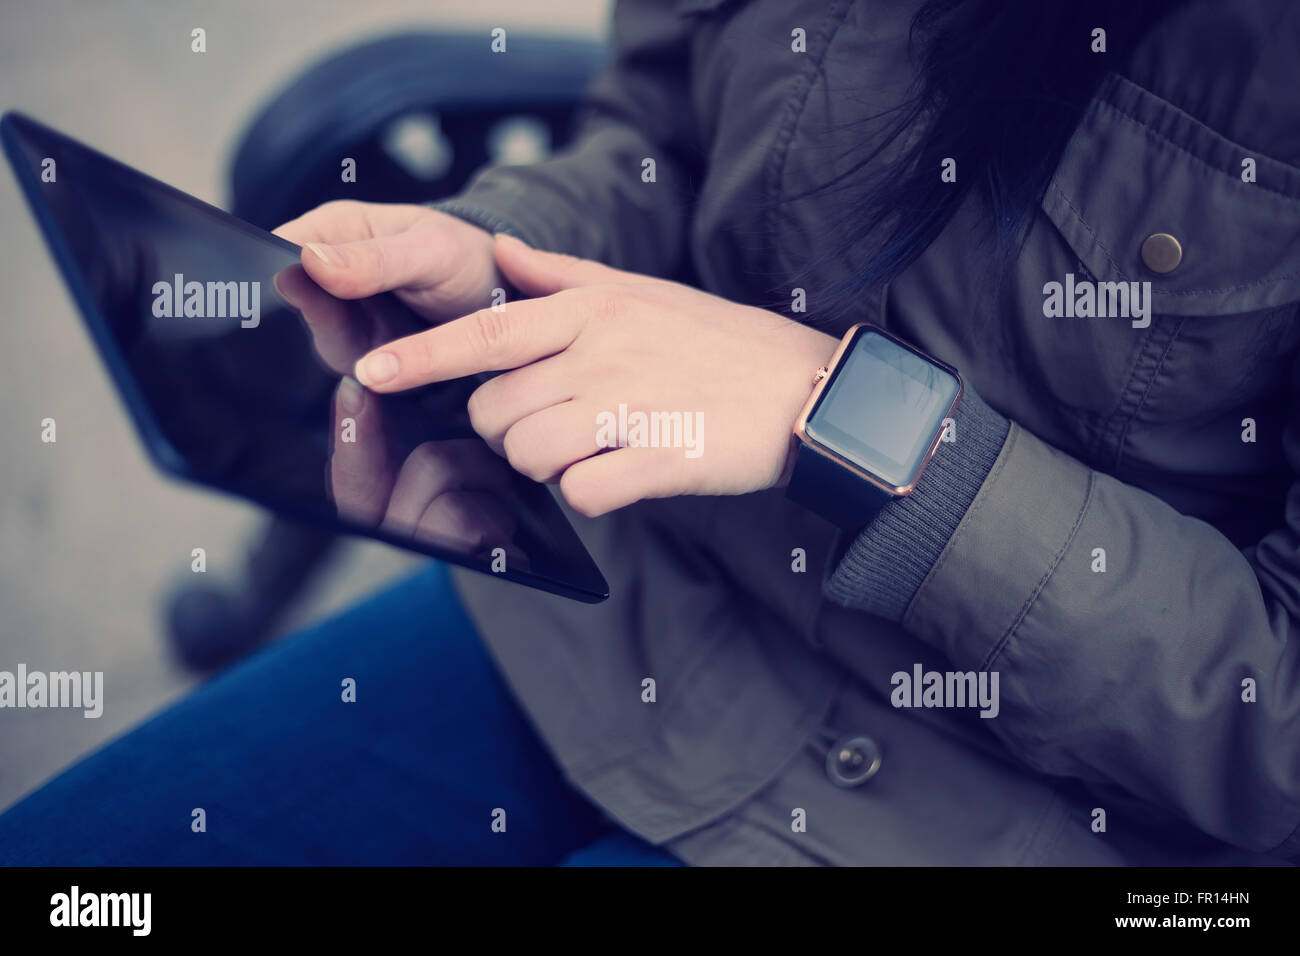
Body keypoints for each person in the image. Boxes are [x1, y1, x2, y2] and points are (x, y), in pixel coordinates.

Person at [4, 0, 1300, 866]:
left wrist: (838, 417)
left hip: (1010, 801)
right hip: (626, 597)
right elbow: (659, 134)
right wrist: (494, 258)